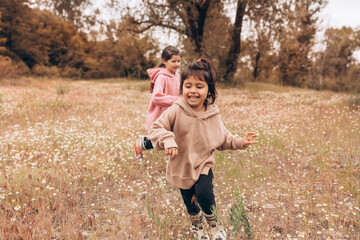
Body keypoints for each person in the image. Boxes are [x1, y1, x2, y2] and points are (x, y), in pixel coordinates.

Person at [148, 58, 258, 240]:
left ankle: (213, 224)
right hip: (181, 164)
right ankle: (196, 223)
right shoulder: (176, 109)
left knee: (204, 194)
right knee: (190, 201)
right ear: (182, 88)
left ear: (209, 90)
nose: (192, 91)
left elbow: (223, 138)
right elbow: (155, 128)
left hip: (203, 163)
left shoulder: (213, 113)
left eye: (199, 86)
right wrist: (168, 140)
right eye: (188, 85)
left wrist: (241, 142)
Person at [133, 45, 182, 159]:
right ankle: (140, 144)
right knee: (161, 139)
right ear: (164, 61)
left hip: (174, 113)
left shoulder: (178, 76)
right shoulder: (161, 77)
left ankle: (174, 159)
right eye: (173, 61)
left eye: (179, 61)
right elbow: (156, 97)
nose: (177, 64)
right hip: (161, 115)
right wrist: (176, 100)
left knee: (177, 136)